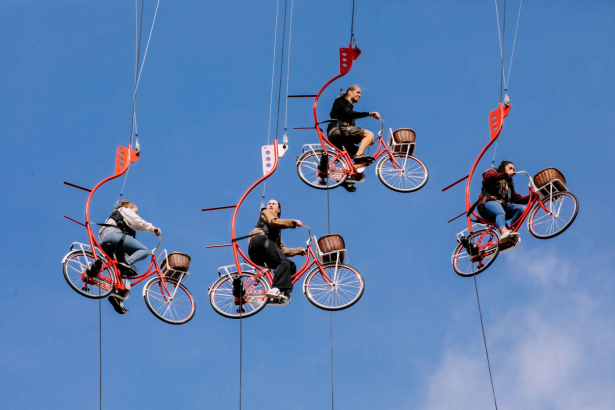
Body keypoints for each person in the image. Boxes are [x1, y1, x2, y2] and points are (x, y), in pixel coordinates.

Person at [95, 200, 161, 314]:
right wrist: (153, 228)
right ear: (130, 208)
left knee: (123, 273)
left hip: (105, 241)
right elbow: (138, 222)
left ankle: (118, 298)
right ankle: (126, 264)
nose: (135, 214)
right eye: (135, 211)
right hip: (115, 236)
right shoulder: (125, 210)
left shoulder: (116, 214)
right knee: (144, 251)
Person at [241, 199, 306, 303]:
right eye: (269, 204)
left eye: (273, 204)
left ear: (279, 209)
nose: (270, 205)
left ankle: (283, 291)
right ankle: (276, 288)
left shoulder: (277, 231)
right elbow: (273, 222)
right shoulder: (267, 212)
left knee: (290, 265)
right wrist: (292, 222)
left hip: (260, 251)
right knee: (283, 261)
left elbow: (281, 250)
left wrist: (300, 251)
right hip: (260, 241)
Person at [327, 85, 381, 192]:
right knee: (369, 134)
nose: (359, 95)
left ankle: (344, 178)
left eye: (360, 93)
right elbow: (349, 113)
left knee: (365, 160)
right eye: (358, 92)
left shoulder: (348, 107)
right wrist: (369, 114)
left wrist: (366, 141)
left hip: (341, 136)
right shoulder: (340, 101)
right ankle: (358, 155)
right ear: (349, 92)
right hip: (338, 130)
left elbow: (353, 133)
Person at [477, 161, 528, 243]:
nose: (512, 170)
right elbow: (488, 177)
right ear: (504, 168)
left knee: (522, 209)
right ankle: (504, 232)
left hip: (501, 206)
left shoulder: (508, 186)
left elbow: (519, 199)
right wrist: (505, 174)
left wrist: (535, 195)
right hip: (487, 203)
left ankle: (510, 231)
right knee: (500, 211)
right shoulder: (493, 172)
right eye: (510, 168)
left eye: (513, 169)